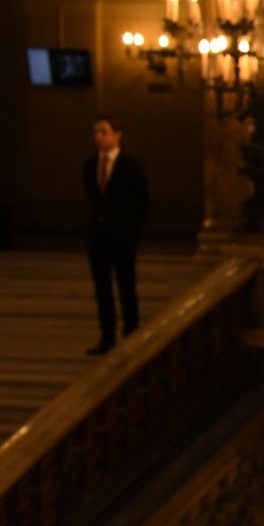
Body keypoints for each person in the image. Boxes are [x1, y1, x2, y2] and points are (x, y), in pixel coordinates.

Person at [82, 115, 149, 354]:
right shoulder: (89, 166)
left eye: (103, 132)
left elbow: (142, 201)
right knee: (102, 289)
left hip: (122, 237)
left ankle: (131, 332)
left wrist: (131, 231)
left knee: (126, 286)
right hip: (98, 237)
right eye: (95, 132)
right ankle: (106, 336)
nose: (98, 137)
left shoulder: (131, 166)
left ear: (117, 134)